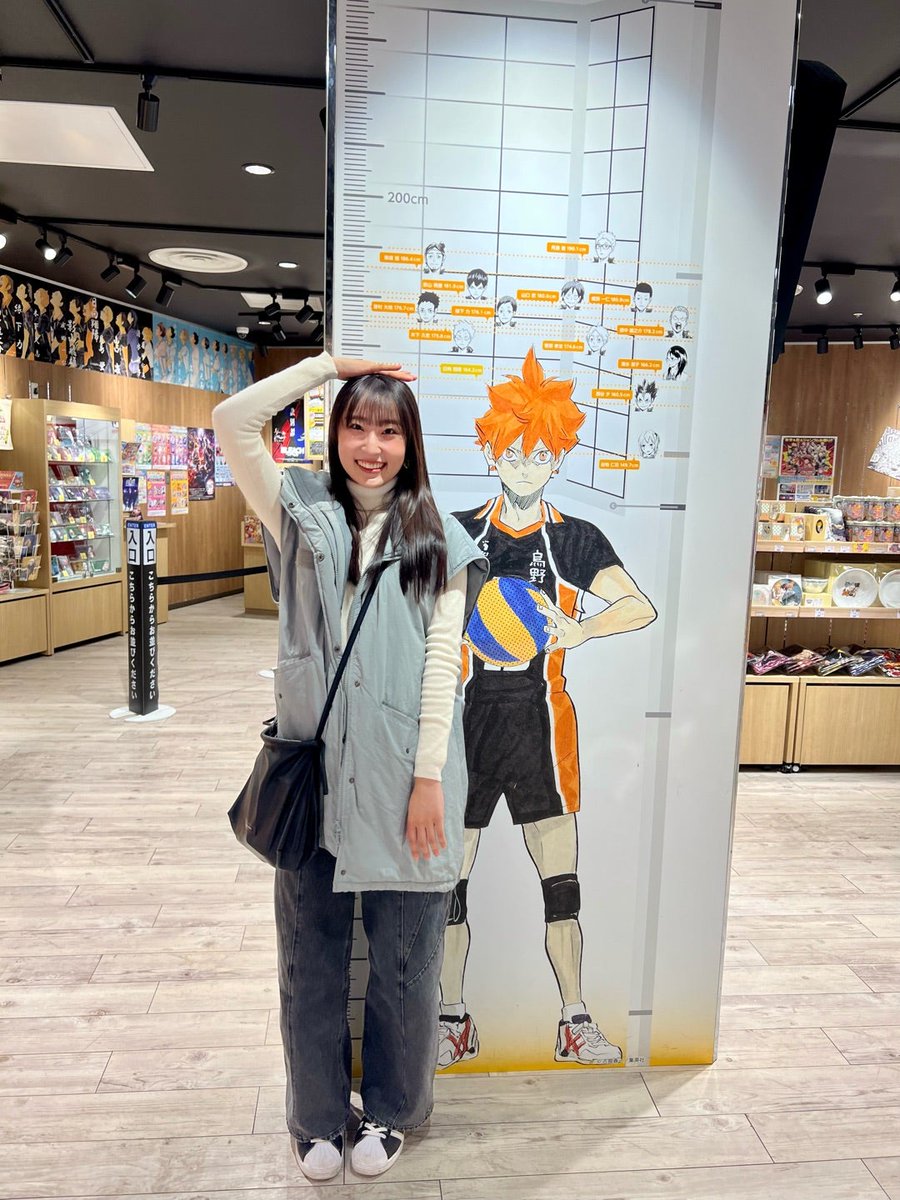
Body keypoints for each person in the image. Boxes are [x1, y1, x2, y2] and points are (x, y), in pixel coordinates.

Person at [213, 353, 487, 1183]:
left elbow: (443, 665)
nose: (372, 446)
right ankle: (316, 1119)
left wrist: (429, 780)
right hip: (318, 780)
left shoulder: (440, 539)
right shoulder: (297, 512)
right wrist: (329, 365)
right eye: (357, 427)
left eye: (389, 430)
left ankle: (395, 1111)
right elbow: (232, 422)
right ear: (336, 435)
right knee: (310, 960)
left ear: (411, 443)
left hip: (410, 783)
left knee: (404, 967)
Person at [438, 349, 657, 1069]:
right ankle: (452, 1018)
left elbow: (639, 606)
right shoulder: (460, 531)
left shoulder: (573, 538)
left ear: (557, 458)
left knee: (561, 885)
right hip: (469, 716)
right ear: (492, 454)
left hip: (542, 719)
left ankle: (574, 1020)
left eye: (540, 454)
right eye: (513, 452)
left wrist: (582, 629)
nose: (527, 465)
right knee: (450, 883)